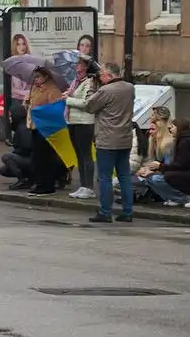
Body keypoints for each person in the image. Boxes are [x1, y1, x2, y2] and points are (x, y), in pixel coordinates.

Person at [67, 62, 136, 222]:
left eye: (102, 74)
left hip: (107, 139)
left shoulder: (106, 90)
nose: (100, 77)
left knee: (104, 177)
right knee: (124, 175)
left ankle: (105, 212)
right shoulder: (129, 87)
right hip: (125, 138)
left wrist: (92, 88)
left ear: (110, 75)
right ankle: (127, 211)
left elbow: (89, 106)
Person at [143, 118, 190, 208]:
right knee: (153, 178)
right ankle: (177, 198)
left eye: (173, 127)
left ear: (179, 128)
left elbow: (181, 164)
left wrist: (159, 167)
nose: (170, 129)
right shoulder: (182, 140)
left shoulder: (185, 142)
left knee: (168, 176)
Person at [24, 68, 65, 195]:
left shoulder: (52, 89)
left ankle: (47, 184)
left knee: (45, 157)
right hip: (35, 127)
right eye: (34, 77)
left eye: (38, 77)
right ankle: (39, 182)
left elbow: (56, 108)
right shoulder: (35, 88)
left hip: (47, 128)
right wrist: (27, 103)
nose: (35, 79)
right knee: (37, 158)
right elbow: (31, 106)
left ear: (46, 77)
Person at [66, 58, 99, 199]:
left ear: (86, 67)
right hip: (73, 121)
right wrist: (68, 94)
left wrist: (68, 99)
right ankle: (83, 185)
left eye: (79, 64)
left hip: (85, 122)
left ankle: (89, 187)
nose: (76, 66)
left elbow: (87, 103)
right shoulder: (76, 81)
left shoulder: (90, 82)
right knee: (78, 153)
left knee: (86, 154)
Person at [0, 102, 34, 189]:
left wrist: (15, 150)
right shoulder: (21, 126)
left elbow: (27, 148)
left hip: (33, 160)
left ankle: (23, 180)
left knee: (7, 157)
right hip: (31, 159)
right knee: (4, 170)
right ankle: (31, 177)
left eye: (11, 116)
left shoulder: (23, 128)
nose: (10, 119)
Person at [9, 34, 32, 102]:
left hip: (29, 99)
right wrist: (25, 92)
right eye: (18, 44)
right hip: (15, 100)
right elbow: (10, 88)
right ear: (14, 46)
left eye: (23, 44)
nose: (22, 47)